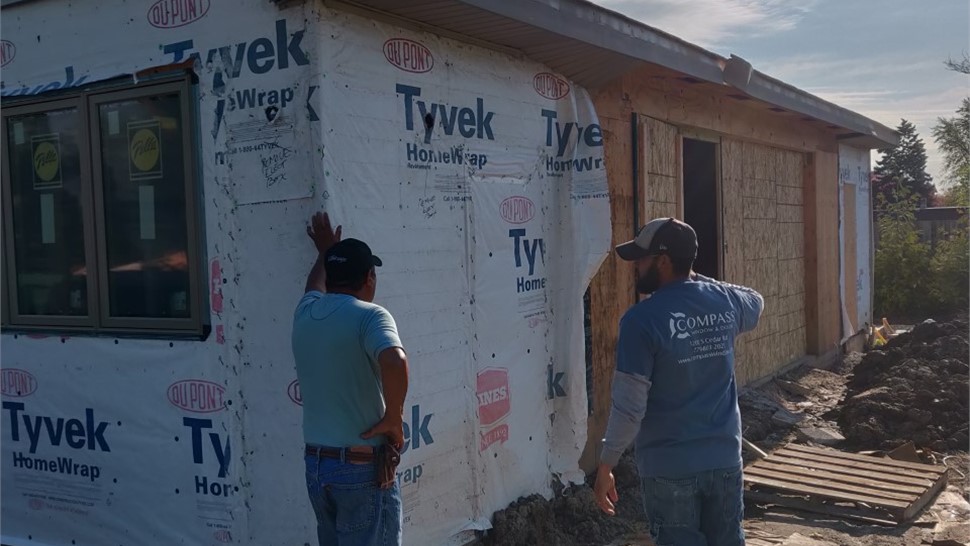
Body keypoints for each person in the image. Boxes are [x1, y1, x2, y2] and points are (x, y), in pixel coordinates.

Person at [593, 217, 764, 546]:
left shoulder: (641, 321)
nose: (637, 266)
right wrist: (695, 279)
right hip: (724, 462)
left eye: (643, 259)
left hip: (670, 470)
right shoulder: (726, 303)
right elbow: (755, 299)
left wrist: (606, 465)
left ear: (663, 261)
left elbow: (629, 408)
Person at [292, 211, 409, 546]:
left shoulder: (306, 312)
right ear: (369, 277)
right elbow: (394, 359)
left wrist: (324, 253)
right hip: (360, 468)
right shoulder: (370, 315)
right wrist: (394, 419)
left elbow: (313, 286)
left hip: (318, 467)